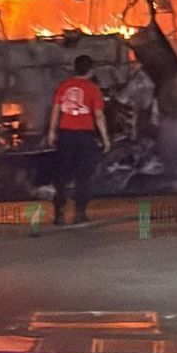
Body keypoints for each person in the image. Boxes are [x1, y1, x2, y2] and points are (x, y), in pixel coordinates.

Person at [47, 54, 111, 225]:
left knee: (62, 174)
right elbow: (98, 115)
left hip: (65, 135)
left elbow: (56, 109)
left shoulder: (64, 86)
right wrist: (105, 139)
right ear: (90, 70)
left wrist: (52, 132)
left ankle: (59, 213)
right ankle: (80, 213)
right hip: (84, 136)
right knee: (83, 175)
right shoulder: (93, 89)